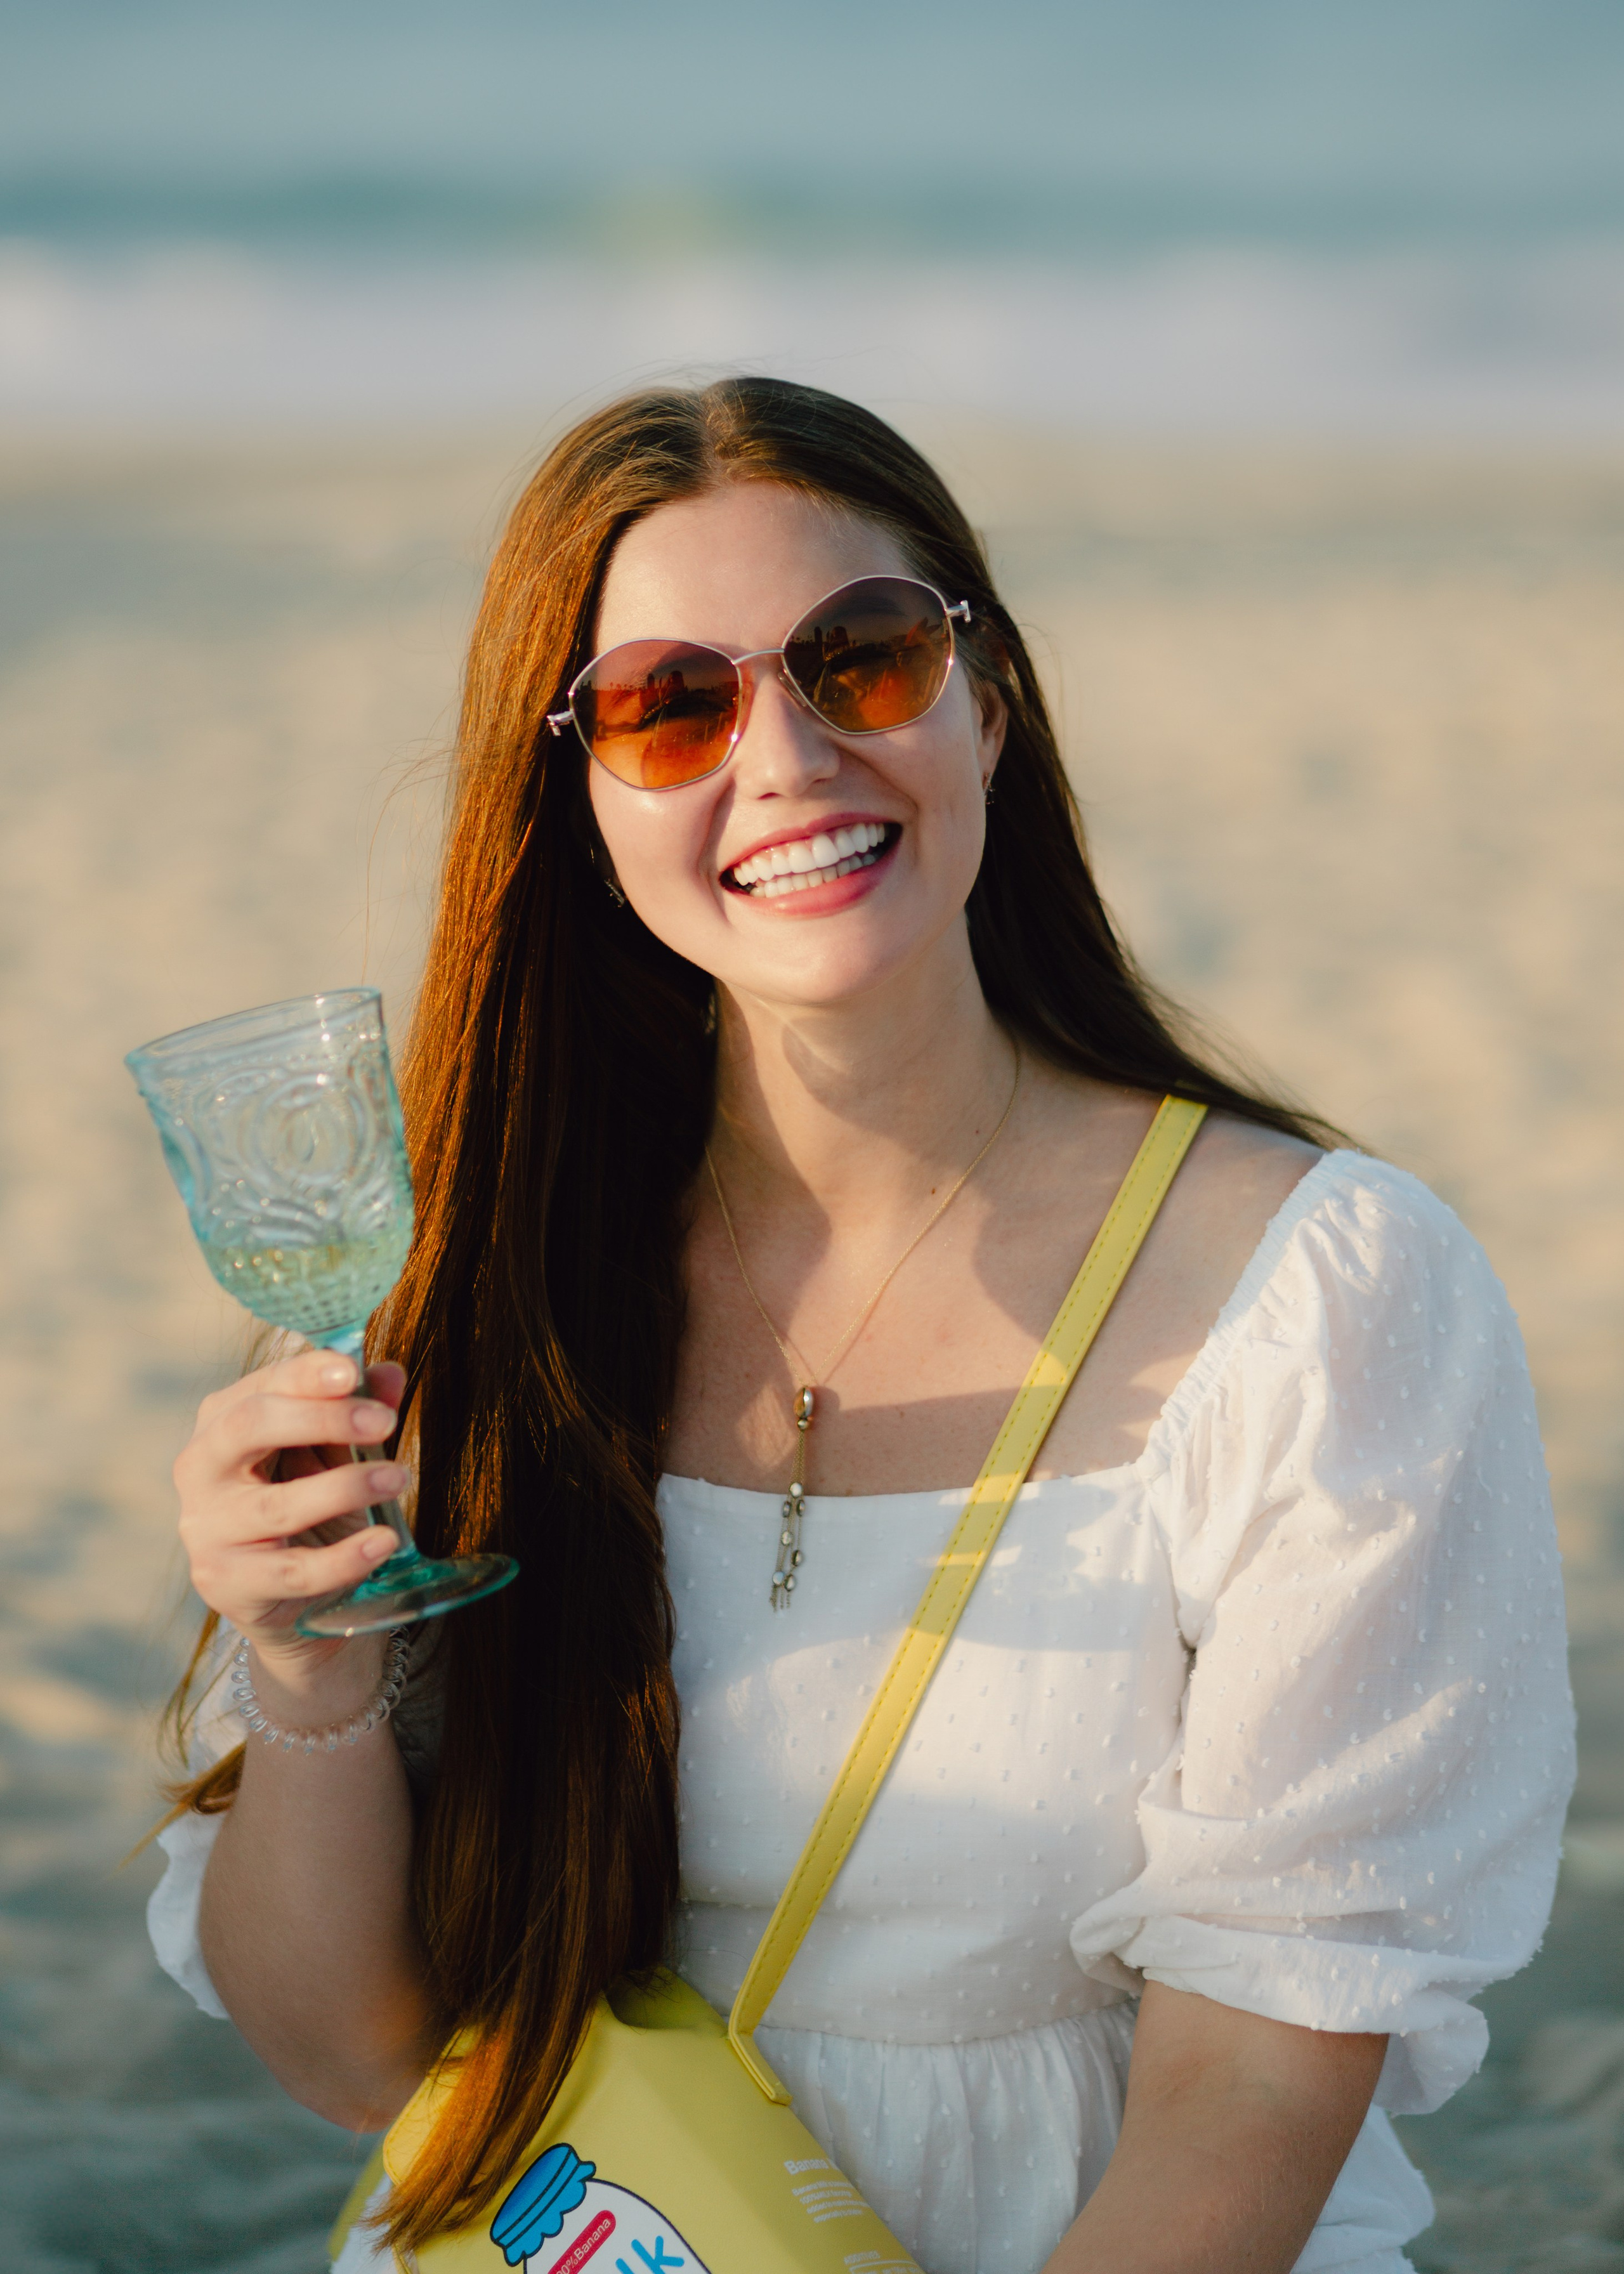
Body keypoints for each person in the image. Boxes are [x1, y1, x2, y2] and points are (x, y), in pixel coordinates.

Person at [148, 379, 1575, 2274]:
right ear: (577, 804)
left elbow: (1247, 2098)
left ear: (989, 702)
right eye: (672, 704)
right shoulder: (498, 1288)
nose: (790, 754)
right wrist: (304, 1670)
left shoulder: (1327, 1290)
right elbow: (356, 2054)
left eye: (867, 658)